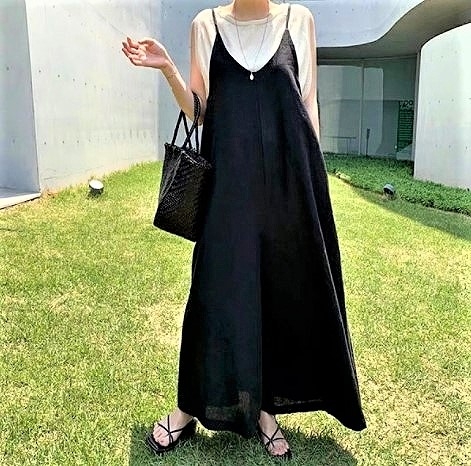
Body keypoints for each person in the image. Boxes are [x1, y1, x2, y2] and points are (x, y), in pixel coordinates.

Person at [122, 0, 366, 459]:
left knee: (277, 294)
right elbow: (199, 110)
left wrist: (314, 187)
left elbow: (307, 105)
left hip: (288, 188)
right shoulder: (205, 25)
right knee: (212, 292)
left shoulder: (299, 21)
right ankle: (188, 408)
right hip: (226, 192)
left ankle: (265, 409)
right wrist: (168, 69)